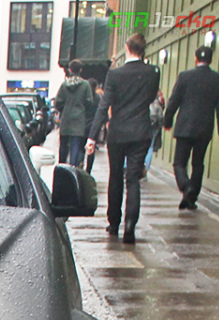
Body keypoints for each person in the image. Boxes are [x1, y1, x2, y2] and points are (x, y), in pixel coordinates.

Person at [87, 33, 160, 243]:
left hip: (118, 132)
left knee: (116, 176)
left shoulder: (115, 74)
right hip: (141, 130)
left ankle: (114, 221)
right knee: (133, 180)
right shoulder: (153, 72)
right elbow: (151, 95)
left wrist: (92, 137)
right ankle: (130, 224)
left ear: (127, 48)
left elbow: (104, 105)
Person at [162, 44, 219, 210]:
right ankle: (191, 198)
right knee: (198, 163)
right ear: (211, 60)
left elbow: (173, 101)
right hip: (204, 128)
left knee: (179, 163)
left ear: (195, 58)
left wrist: (167, 121)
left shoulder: (184, 76)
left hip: (184, 126)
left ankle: (186, 186)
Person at [55, 59, 94, 166]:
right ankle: (73, 169)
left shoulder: (64, 85)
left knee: (63, 146)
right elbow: (89, 102)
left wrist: (64, 110)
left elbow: (58, 102)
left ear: (70, 69)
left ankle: (62, 169)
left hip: (66, 120)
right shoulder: (85, 85)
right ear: (80, 70)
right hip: (79, 120)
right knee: (75, 146)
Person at [144, 90, 165, 177]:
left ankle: (137, 167)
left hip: (146, 122)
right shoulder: (160, 98)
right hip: (156, 124)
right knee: (150, 146)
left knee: (140, 146)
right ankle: (146, 169)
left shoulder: (145, 97)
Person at [85, 80, 103, 172]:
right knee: (91, 150)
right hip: (93, 126)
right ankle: (88, 170)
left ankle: (79, 164)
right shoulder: (98, 98)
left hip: (83, 125)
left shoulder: (85, 97)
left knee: (80, 147)